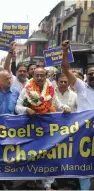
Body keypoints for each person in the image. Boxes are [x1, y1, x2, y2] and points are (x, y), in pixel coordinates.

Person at [15, 67, 71, 190]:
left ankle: (48, 184)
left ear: (46, 76)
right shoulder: (27, 89)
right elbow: (17, 107)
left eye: (42, 75)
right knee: (33, 154)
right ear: (33, 76)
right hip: (32, 127)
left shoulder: (51, 89)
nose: (39, 78)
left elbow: (57, 104)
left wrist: (65, 107)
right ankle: (32, 180)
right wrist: (26, 109)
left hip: (47, 127)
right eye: (37, 75)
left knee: (49, 154)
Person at [61, 40, 94, 190]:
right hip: (85, 133)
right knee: (85, 164)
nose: (93, 76)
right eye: (91, 74)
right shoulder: (81, 87)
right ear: (86, 76)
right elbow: (66, 69)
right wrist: (65, 51)